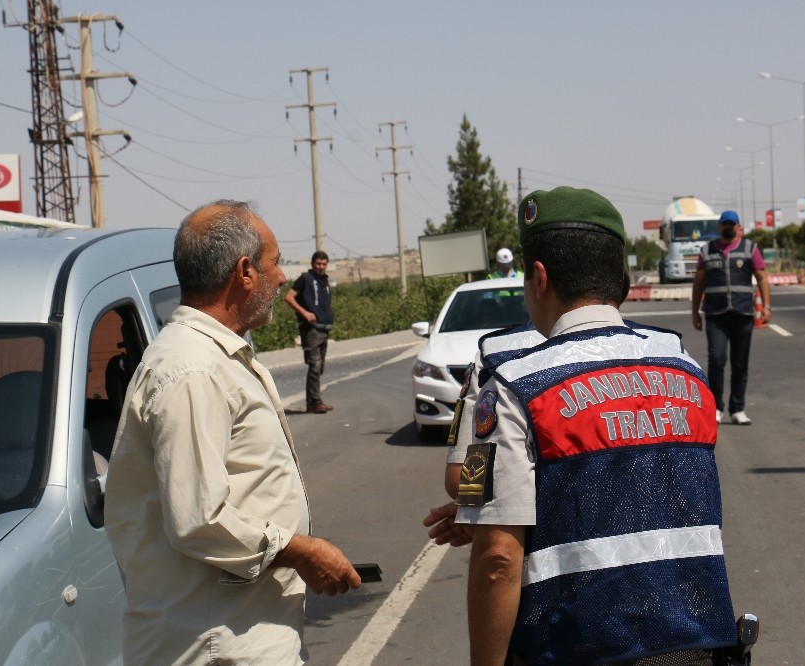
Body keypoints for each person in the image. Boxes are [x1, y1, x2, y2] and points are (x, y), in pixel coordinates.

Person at [430, 186, 738, 665]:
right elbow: (655, 493)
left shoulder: (510, 378)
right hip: (697, 646)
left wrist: (487, 515)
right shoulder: (686, 370)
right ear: (621, 276)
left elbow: (497, 560)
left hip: (576, 648)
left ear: (537, 277)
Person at [105, 200, 360, 666]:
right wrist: (300, 550)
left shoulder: (211, 356)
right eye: (275, 262)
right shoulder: (192, 371)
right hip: (216, 643)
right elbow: (198, 519)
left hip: (240, 629)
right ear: (244, 272)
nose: (282, 277)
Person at [690, 210, 771, 426]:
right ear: (719, 226)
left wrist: (767, 306)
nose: (728, 227)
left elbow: (762, 278)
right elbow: (698, 283)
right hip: (716, 315)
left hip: (743, 313)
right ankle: (716, 407)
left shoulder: (750, 248)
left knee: (740, 363)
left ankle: (738, 408)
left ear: (737, 227)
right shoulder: (707, 251)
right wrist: (694, 312)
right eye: (724, 224)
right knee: (717, 360)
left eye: (731, 224)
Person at [284, 251, 335, 413]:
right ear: (313, 264)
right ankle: (315, 402)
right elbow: (289, 297)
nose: (321, 267)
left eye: (323, 264)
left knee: (319, 368)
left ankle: (312, 402)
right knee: (314, 365)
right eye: (318, 264)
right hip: (311, 330)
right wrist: (305, 313)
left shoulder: (324, 281)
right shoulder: (305, 279)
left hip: (323, 328)